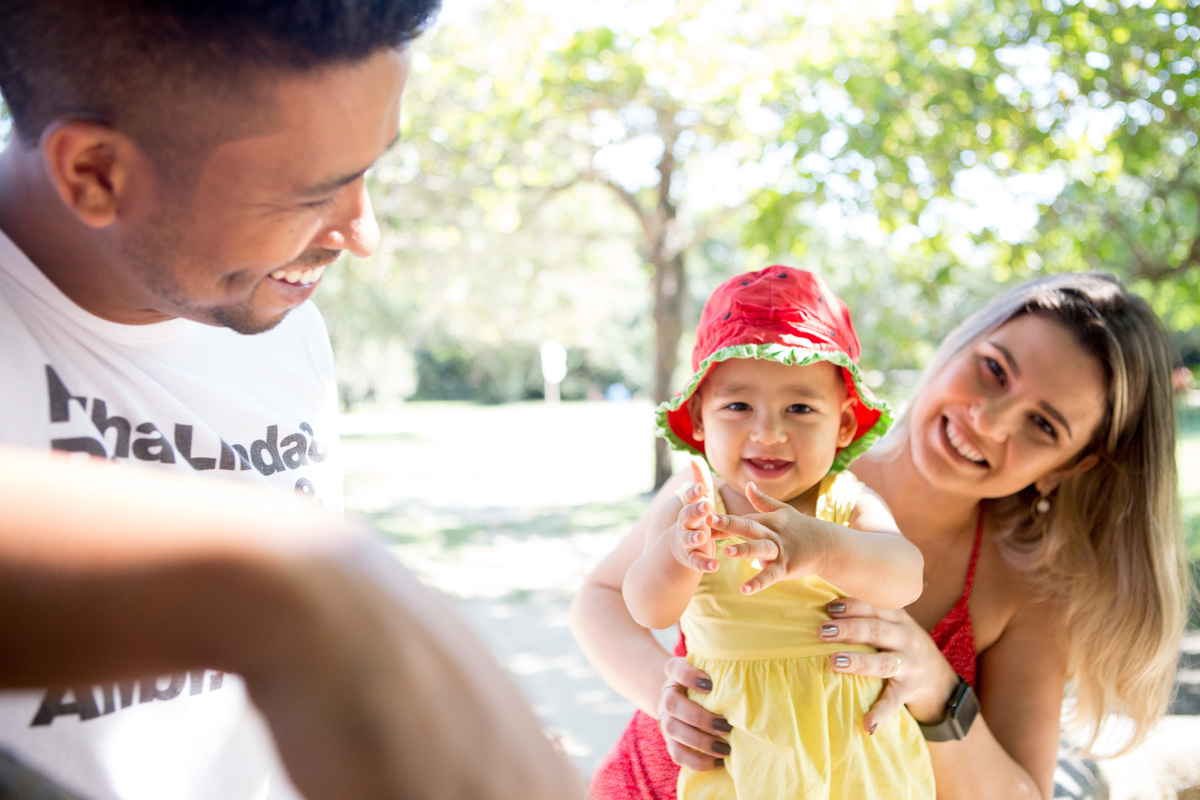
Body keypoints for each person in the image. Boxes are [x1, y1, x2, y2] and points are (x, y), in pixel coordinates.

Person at [0, 2, 583, 798]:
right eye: (311, 195)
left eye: (368, 171)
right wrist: (296, 591)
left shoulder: (282, 326)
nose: (363, 233)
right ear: (95, 173)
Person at [571, 272, 1189, 799]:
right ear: (961, 344)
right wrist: (663, 693)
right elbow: (602, 596)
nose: (989, 421)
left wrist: (934, 688)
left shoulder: (1022, 588)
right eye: (994, 370)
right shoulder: (753, 470)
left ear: (1070, 465)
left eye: (1042, 425)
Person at [621, 266, 932, 798]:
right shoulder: (691, 508)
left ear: (844, 426)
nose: (768, 432)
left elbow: (906, 578)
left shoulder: (846, 502)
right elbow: (648, 610)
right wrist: (677, 554)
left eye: (800, 408)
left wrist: (825, 547)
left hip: (854, 757)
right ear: (698, 419)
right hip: (742, 752)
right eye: (738, 406)